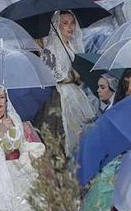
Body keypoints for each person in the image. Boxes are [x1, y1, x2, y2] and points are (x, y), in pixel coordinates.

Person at [35, 10, 99, 163]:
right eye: (65, 23)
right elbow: (51, 76)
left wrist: (81, 74)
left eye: (72, 23)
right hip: (61, 96)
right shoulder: (51, 49)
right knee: (64, 135)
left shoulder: (73, 45)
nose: (70, 27)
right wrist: (72, 75)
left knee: (83, 132)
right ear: (57, 26)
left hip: (76, 92)